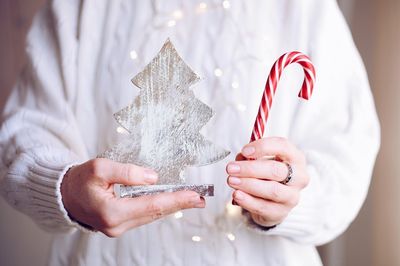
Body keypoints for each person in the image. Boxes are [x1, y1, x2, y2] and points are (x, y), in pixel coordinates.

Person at [0, 0, 380, 265]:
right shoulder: (82, 6)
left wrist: (293, 194)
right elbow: (26, 133)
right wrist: (64, 188)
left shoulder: (305, 8)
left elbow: (347, 152)